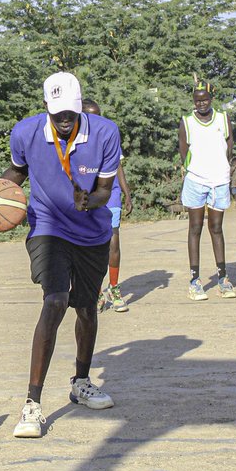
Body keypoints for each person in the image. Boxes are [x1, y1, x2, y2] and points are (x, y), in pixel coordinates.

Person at [0, 72, 119, 439]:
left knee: (86, 308)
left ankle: (81, 382)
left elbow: (106, 187)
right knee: (55, 300)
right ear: (46, 109)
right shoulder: (25, 133)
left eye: (70, 112)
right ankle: (33, 405)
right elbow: (17, 172)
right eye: (58, 114)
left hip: (92, 233)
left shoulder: (104, 133)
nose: (65, 120)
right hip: (48, 227)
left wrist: (91, 202)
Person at [176, 82, 236, 300]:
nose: (201, 103)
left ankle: (223, 278)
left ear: (211, 98)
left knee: (217, 228)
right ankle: (195, 280)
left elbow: (229, 144)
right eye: (197, 99)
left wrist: (223, 166)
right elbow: (184, 151)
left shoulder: (222, 119)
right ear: (193, 101)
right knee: (195, 228)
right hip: (196, 181)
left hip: (219, 180)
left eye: (205, 99)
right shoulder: (187, 122)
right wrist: (195, 169)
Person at [82, 99, 132, 312]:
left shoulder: (108, 134)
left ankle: (114, 288)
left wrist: (127, 192)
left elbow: (117, 166)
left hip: (110, 194)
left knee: (113, 241)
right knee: (91, 247)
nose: (95, 119)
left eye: (98, 115)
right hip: (89, 197)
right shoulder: (77, 139)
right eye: (90, 115)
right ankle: (96, 291)